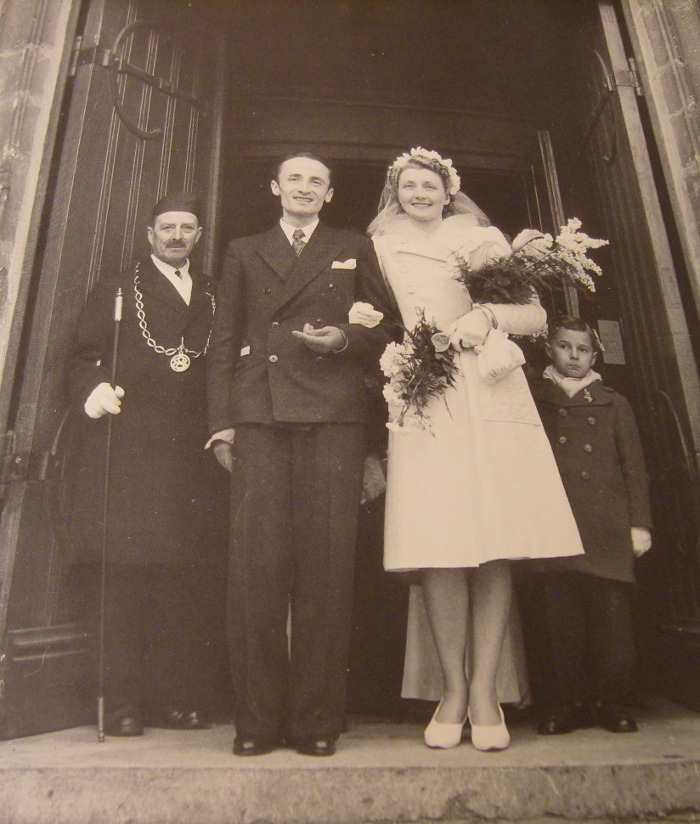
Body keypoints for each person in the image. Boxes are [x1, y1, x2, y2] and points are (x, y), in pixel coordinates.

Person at [366, 148, 584, 751]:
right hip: (422, 389)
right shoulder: (378, 246)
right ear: (395, 193)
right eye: (408, 186)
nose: (419, 194)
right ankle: (452, 692)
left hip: (485, 387)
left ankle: (487, 693)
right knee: (439, 542)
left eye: (429, 185)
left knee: (494, 539)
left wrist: (485, 315)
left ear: (447, 191)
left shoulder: (481, 239)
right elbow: (376, 317)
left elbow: (534, 315)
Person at [206, 151, 400, 757]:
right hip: (261, 416)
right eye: (295, 178)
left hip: (334, 418)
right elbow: (223, 343)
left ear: (330, 194)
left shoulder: (352, 245)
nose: (305, 188)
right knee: (256, 573)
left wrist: (344, 337)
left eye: (317, 181)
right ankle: (257, 723)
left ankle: (317, 721)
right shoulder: (243, 249)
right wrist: (222, 425)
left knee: (326, 572)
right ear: (275, 187)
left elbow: (389, 328)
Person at [66, 193, 227, 737]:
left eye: (187, 228)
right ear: (149, 234)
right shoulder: (117, 289)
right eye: (167, 228)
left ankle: (178, 700)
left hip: (193, 458)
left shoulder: (216, 293)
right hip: (131, 449)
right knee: (127, 580)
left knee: (184, 584)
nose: (177, 236)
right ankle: (124, 704)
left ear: (199, 236)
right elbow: (81, 355)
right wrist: (92, 390)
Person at [530, 315, 652, 735]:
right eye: (565, 347)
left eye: (583, 350)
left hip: (605, 525)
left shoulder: (614, 402)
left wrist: (640, 524)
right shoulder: (535, 398)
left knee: (611, 619)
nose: (574, 357)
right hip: (556, 520)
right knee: (558, 618)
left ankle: (611, 700)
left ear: (594, 355)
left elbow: (633, 467)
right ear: (550, 349)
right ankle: (565, 702)